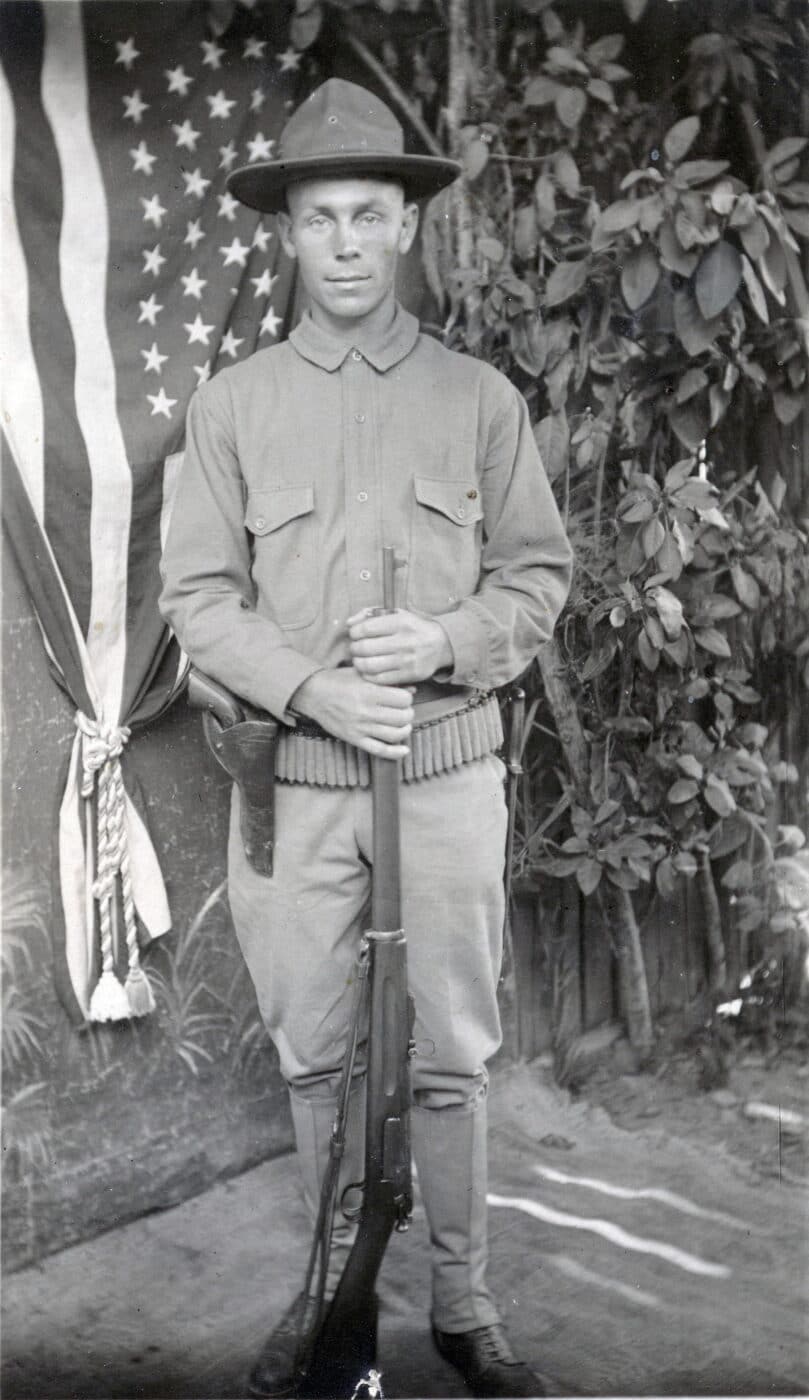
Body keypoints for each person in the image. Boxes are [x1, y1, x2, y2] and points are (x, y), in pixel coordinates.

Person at [160, 78, 573, 1399]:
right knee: (316, 1052)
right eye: (319, 216)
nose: (343, 242)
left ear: (406, 227)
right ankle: (327, 1289)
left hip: (446, 789)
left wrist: (445, 643)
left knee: (450, 1051)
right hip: (295, 793)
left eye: (369, 215)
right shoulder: (233, 408)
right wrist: (314, 689)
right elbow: (196, 604)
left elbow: (534, 581)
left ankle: (460, 1302)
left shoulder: (478, 402)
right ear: (286, 231)